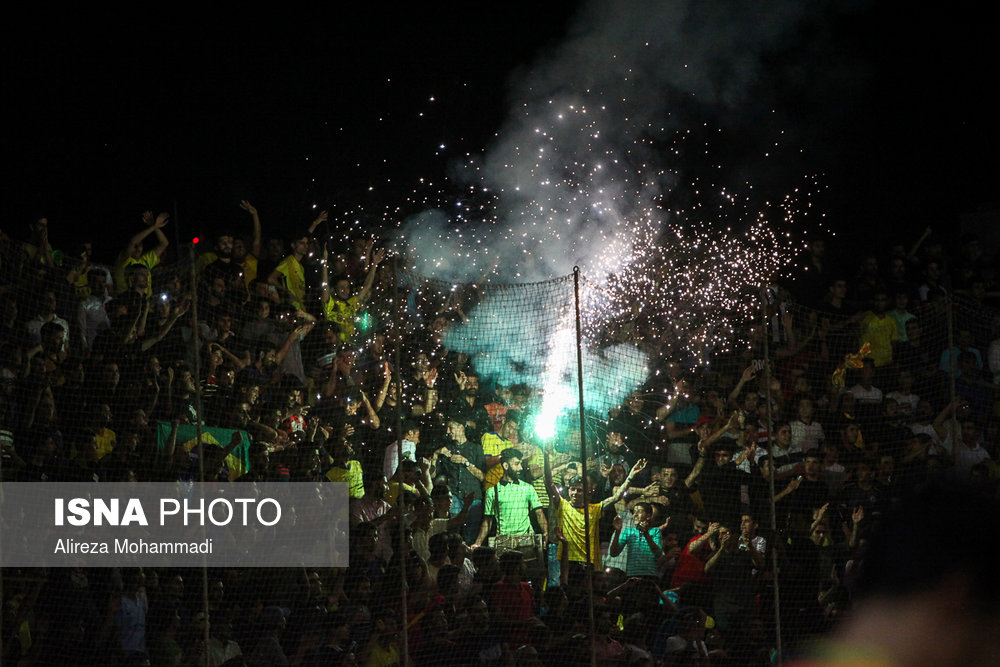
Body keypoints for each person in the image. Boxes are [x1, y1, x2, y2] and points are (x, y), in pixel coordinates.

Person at [548, 454, 647, 570]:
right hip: (567, 559)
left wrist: (631, 475)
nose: (575, 493)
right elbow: (550, 484)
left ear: (586, 492)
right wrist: (546, 456)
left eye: (579, 490)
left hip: (588, 560)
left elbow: (617, 497)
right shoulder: (563, 505)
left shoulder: (594, 509)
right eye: (572, 489)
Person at [609, 502, 663, 578]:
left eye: (639, 511)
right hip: (632, 576)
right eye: (634, 512)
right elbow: (613, 553)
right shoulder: (628, 531)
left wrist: (646, 534)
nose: (635, 515)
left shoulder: (655, 531)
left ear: (648, 516)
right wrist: (618, 531)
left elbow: (658, 553)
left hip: (650, 576)